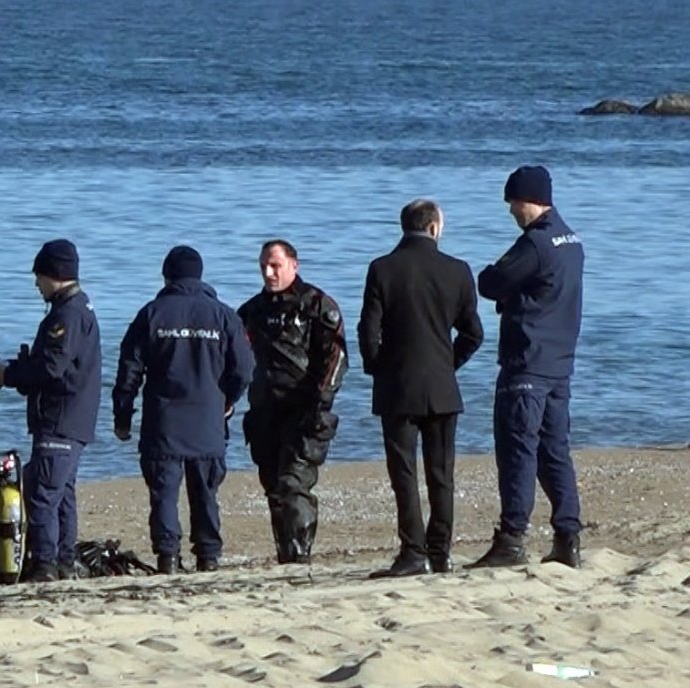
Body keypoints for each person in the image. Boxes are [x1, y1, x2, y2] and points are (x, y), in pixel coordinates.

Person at [468, 165, 585, 570]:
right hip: (558, 363)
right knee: (555, 450)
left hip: (528, 364)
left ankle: (512, 538)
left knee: (517, 450)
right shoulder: (570, 239)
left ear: (526, 200)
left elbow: (492, 282)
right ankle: (567, 536)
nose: (511, 212)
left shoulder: (536, 243)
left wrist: (503, 291)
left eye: (513, 204)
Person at [358, 200, 483, 578]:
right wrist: (449, 363)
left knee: (404, 473)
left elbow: (368, 331)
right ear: (433, 228)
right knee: (441, 473)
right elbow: (473, 333)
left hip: (397, 387)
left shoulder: (382, 268)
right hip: (442, 387)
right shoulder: (457, 271)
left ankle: (413, 551)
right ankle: (440, 551)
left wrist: (378, 367)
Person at [112, 246, 254, 574]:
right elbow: (245, 368)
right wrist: (228, 400)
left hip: (164, 421)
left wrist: (122, 416)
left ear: (167, 276)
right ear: (200, 276)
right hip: (208, 420)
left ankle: (168, 556)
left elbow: (129, 370)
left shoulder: (152, 313)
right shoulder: (224, 315)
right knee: (205, 492)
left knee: (163, 492)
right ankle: (208, 556)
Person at [0, 239, 101, 582]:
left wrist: (7, 375)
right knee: (62, 493)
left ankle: (46, 565)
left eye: (39, 276)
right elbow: (54, 365)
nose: (36, 284)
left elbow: (51, 367)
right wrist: (21, 369)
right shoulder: (75, 310)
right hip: (72, 418)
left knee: (43, 494)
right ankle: (63, 561)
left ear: (56, 274)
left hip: (60, 419)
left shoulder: (67, 315)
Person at [237, 240, 348, 564]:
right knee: (273, 487)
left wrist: (321, 400)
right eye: (263, 267)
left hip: (305, 412)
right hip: (264, 412)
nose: (269, 273)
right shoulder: (250, 312)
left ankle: (300, 555)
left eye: (275, 266)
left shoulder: (315, 305)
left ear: (293, 265)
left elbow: (337, 356)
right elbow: (233, 358)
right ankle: (286, 553)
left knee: (293, 484)